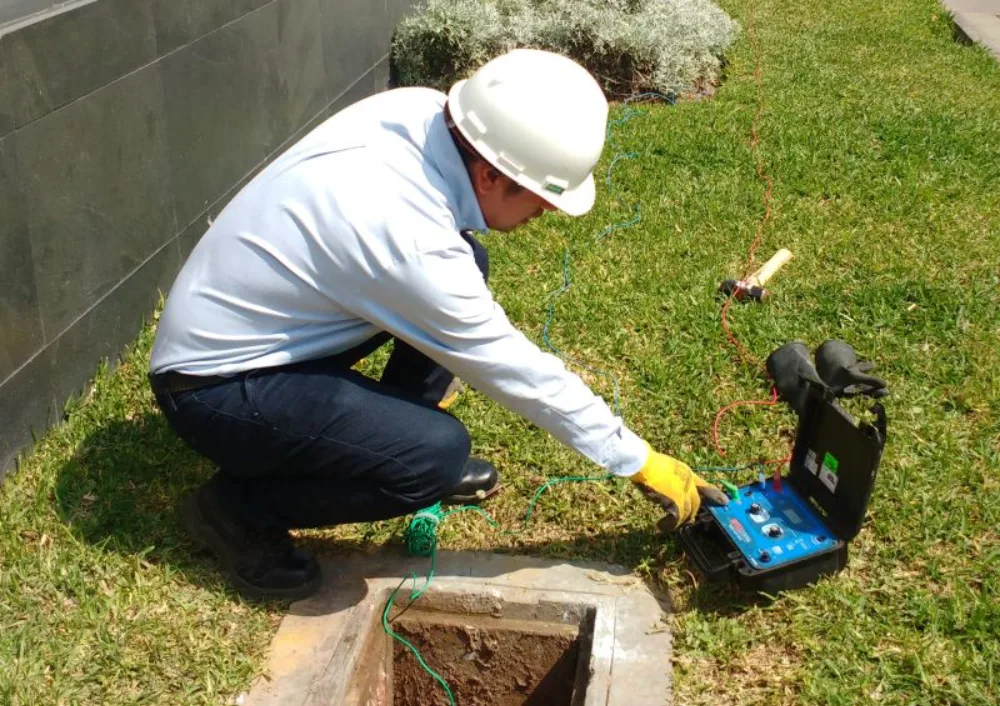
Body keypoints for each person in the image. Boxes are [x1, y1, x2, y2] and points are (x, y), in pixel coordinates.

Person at [148, 49, 728, 602]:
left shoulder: (420, 111)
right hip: (212, 389)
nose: (548, 211)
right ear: (489, 176)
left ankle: (378, 447)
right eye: (542, 196)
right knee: (435, 456)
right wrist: (638, 459)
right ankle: (236, 509)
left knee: (469, 261)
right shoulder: (406, 239)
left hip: (262, 334)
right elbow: (509, 365)